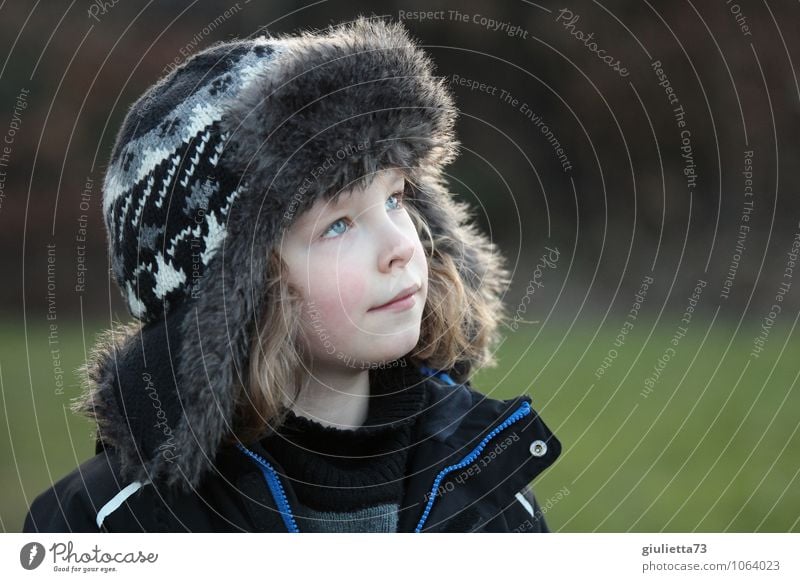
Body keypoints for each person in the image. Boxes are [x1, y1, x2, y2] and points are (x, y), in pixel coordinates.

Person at [22, 16, 561, 533]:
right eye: (337, 225)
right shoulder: (111, 528)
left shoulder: (489, 491)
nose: (401, 245)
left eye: (396, 198)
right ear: (231, 296)